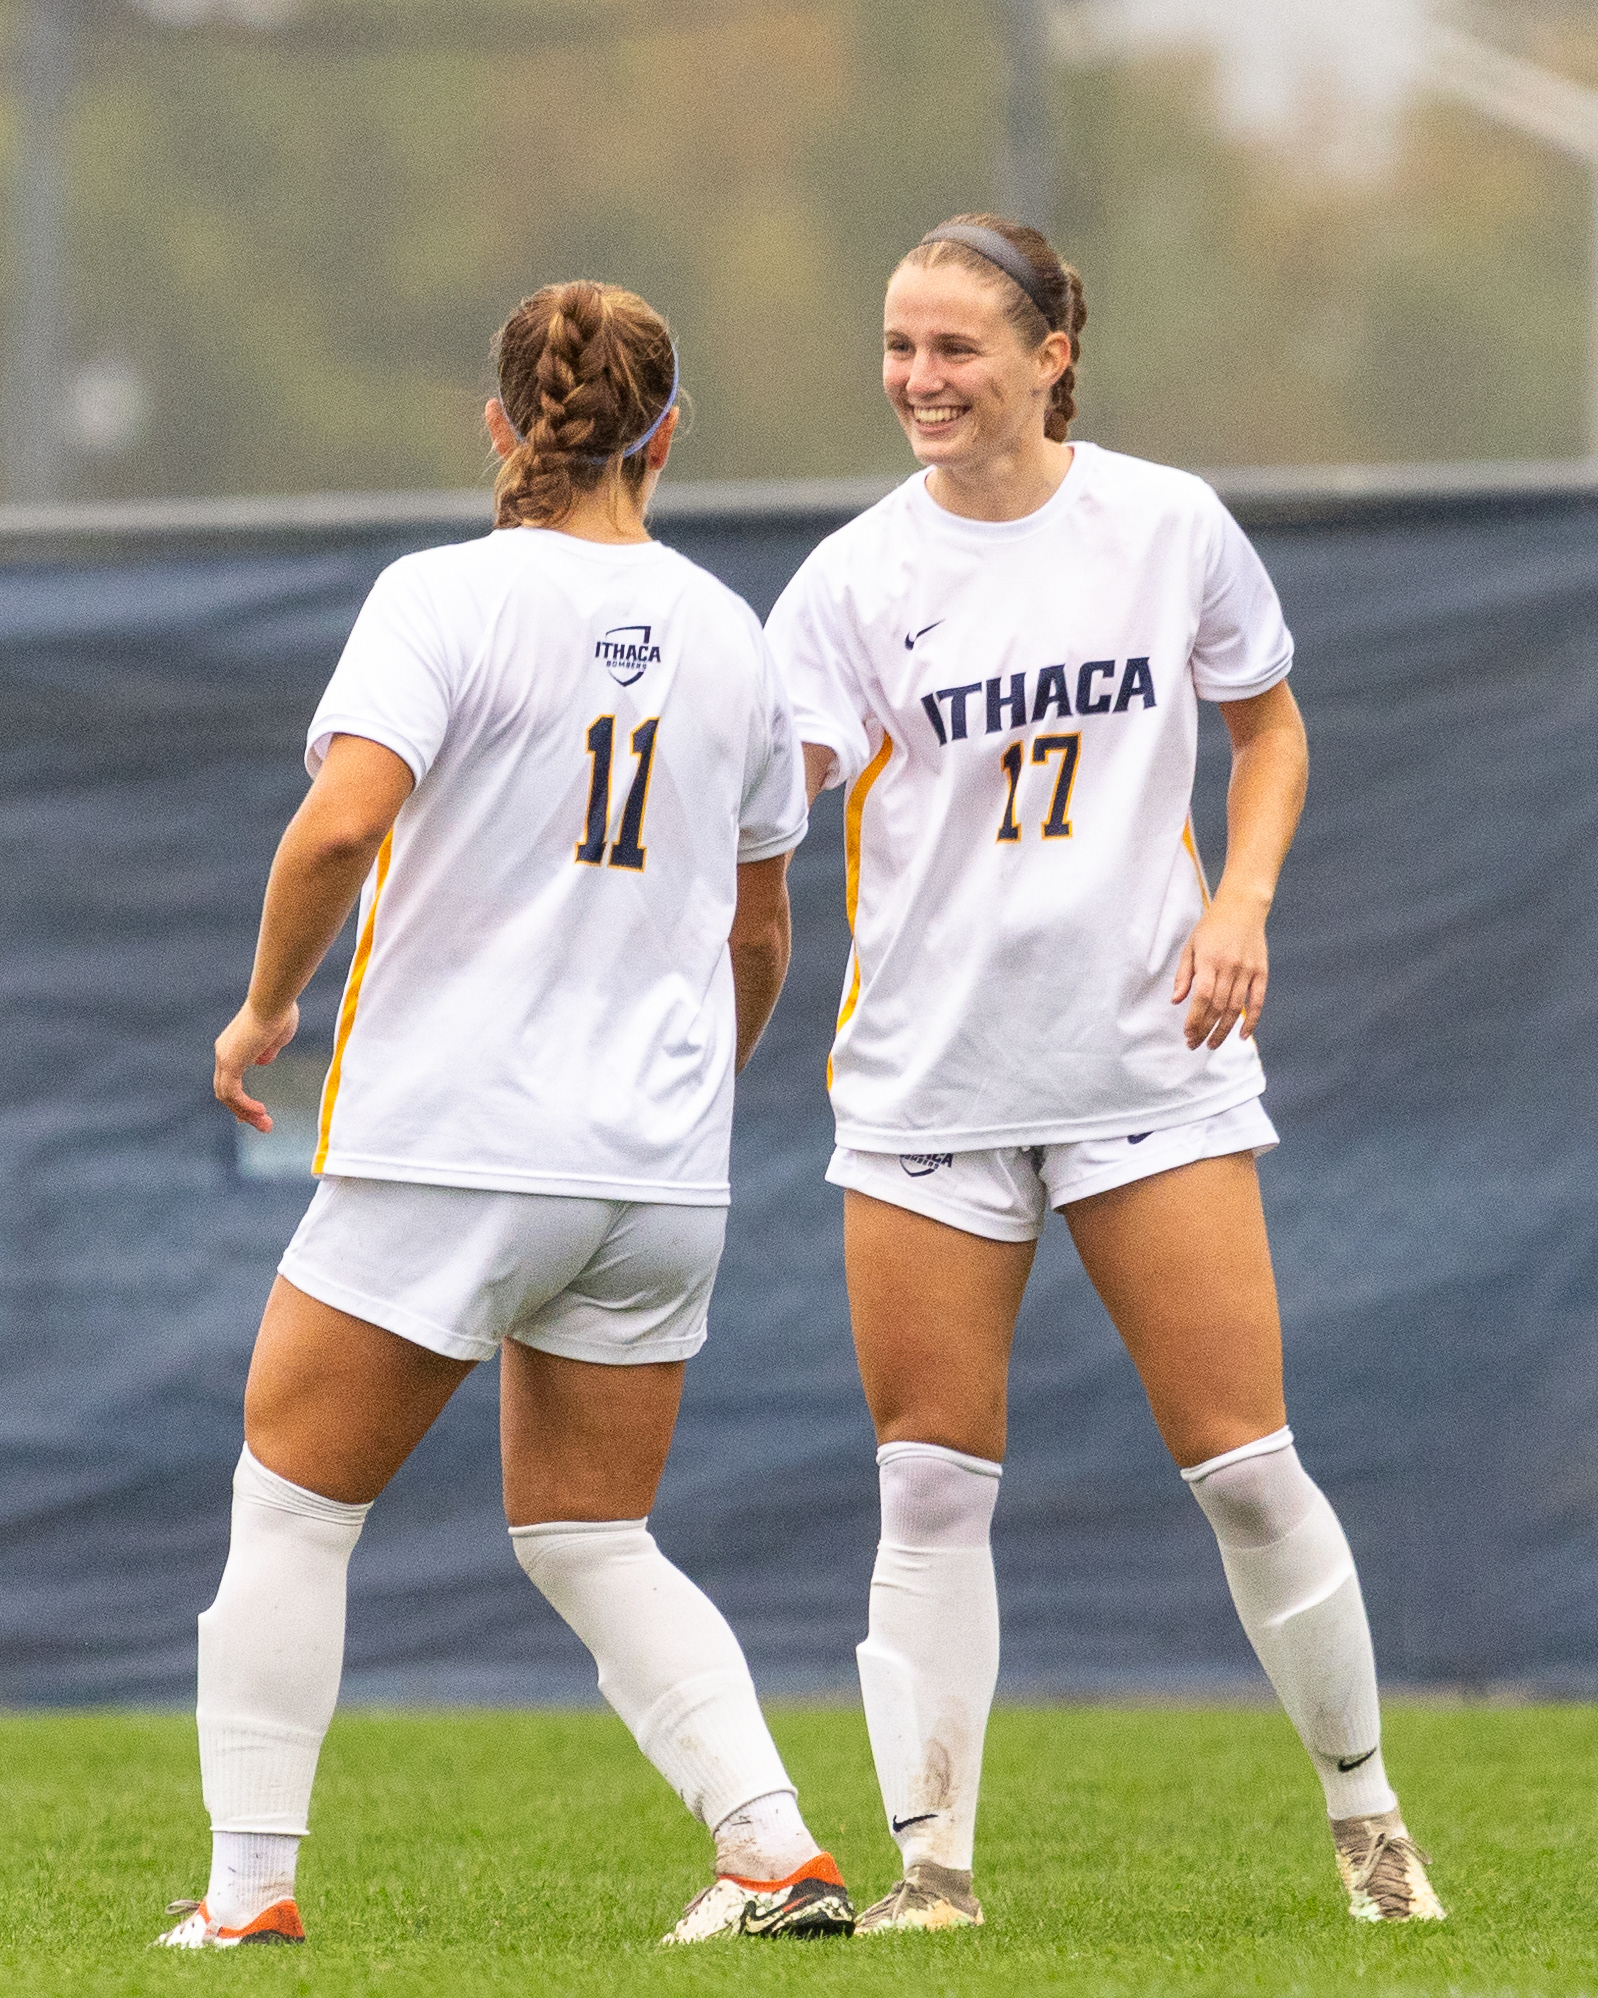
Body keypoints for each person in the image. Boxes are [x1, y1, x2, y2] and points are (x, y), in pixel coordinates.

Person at [764, 215, 1445, 1933]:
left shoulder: (1165, 522)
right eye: (899, 345)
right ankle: (932, 1874)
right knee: (928, 1481)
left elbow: (1267, 727)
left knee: (1245, 1463)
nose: (918, 378)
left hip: (1150, 1060)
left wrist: (1241, 900)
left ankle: (1369, 1830)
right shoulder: (851, 578)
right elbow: (778, 790)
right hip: (927, 1083)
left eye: (955, 347)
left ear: (1049, 352)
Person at [157, 280, 855, 1950]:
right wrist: (681, 1096)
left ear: (498, 425)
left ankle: (247, 1896)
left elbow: (339, 828)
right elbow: (761, 935)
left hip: (451, 1143)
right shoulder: (734, 636)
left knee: (292, 1507)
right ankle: (772, 1853)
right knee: (591, 1531)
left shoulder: (441, 596)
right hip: (654, 1172)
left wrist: (263, 1007)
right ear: (667, 435)